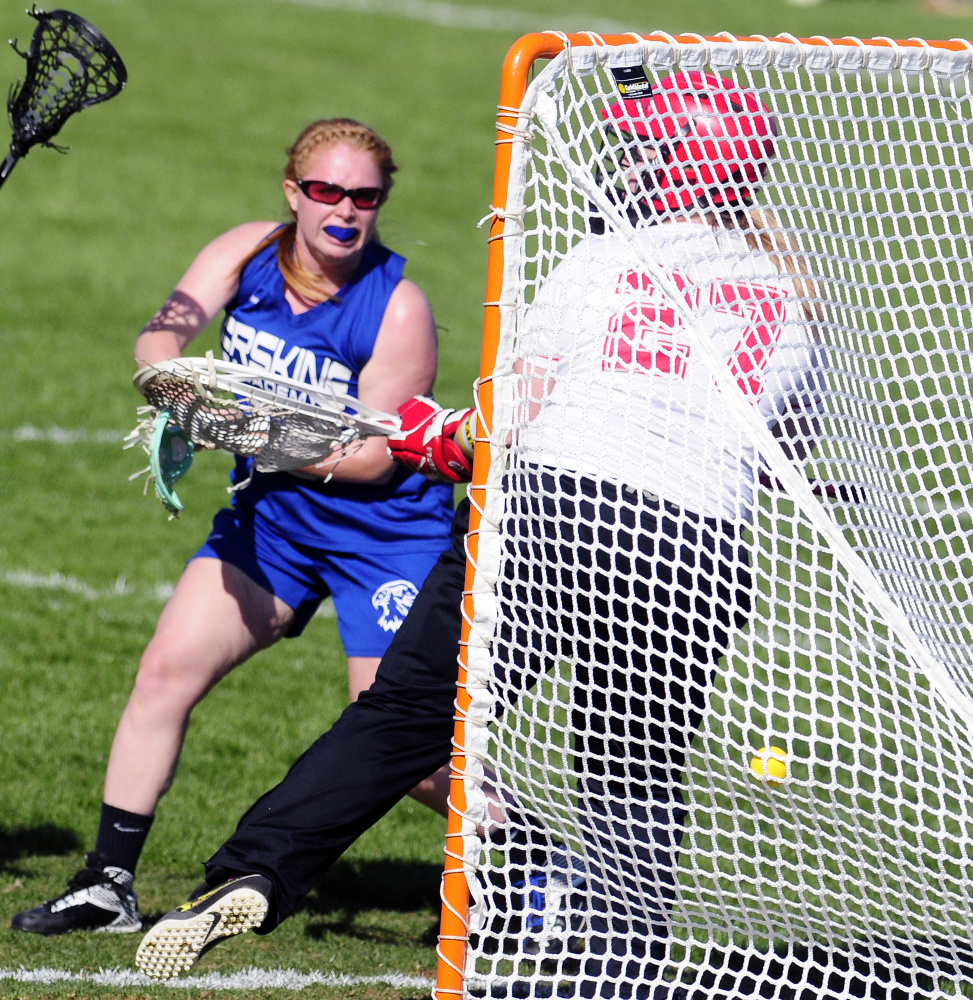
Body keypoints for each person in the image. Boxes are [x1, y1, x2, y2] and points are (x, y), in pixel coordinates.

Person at [133, 75, 828, 996]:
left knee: (408, 713)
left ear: (672, 163)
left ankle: (259, 869)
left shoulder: (597, 264)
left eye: (643, 149)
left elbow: (508, 421)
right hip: (694, 547)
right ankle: (611, 965)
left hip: (552, 510)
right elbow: (794, 448)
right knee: (633, 768)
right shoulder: (788, 298)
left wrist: (433, 436)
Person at [11, 117, 457, 937]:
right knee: (166, 668)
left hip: (385, 536)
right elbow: (163, 332)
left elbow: (373, 458)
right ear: (292, 192)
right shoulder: (247, 251)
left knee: (402, 738)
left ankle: (533, 867)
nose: (344, 211)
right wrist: (173, 382)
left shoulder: (397, 307)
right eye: (325, 191)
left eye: (364, 196)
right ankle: (108, 883)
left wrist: (249, 432)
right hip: (278, 522)